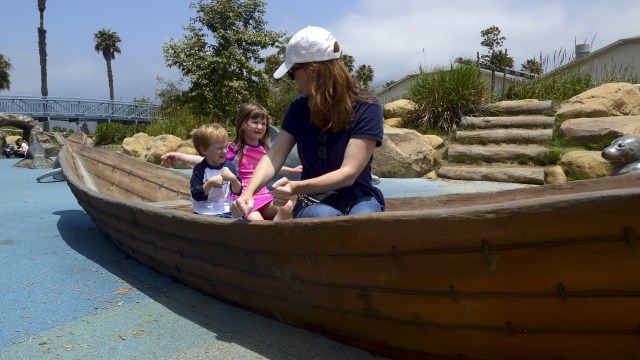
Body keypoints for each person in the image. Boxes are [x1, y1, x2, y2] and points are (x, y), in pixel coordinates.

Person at [230, 26, 385, 219]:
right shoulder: (299, 107)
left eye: (292, 73)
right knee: (320, 216)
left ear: (313, 70)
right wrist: (248, 193)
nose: (292, 80)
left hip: (359, 197)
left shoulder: (367, 107)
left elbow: (349, 173)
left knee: (365, 218)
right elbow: (274, 156)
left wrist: (296, 187)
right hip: (315, 201)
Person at [162, 102, 303, 220]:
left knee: (288, 206)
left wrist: (292, 170)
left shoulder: (264, 147)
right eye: (255, 122)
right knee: (257, 221)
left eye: (263, 123)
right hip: (243, 198)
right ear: (243, 123)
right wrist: (179, 156)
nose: (260, 126)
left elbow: (271, 167)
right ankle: (271, 238)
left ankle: (277, 236)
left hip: (264, 196)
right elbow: (207, 160)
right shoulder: (237, 149)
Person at [188, 123, 242, 217]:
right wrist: (210, 182)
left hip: (225, 209)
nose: (225, 151)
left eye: (226, 146)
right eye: (220, 148)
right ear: (204, 150)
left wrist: (233, 179)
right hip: (204, 209)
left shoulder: (230, 167)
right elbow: (196, 195)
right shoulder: (200, 169)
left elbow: (238, 191)